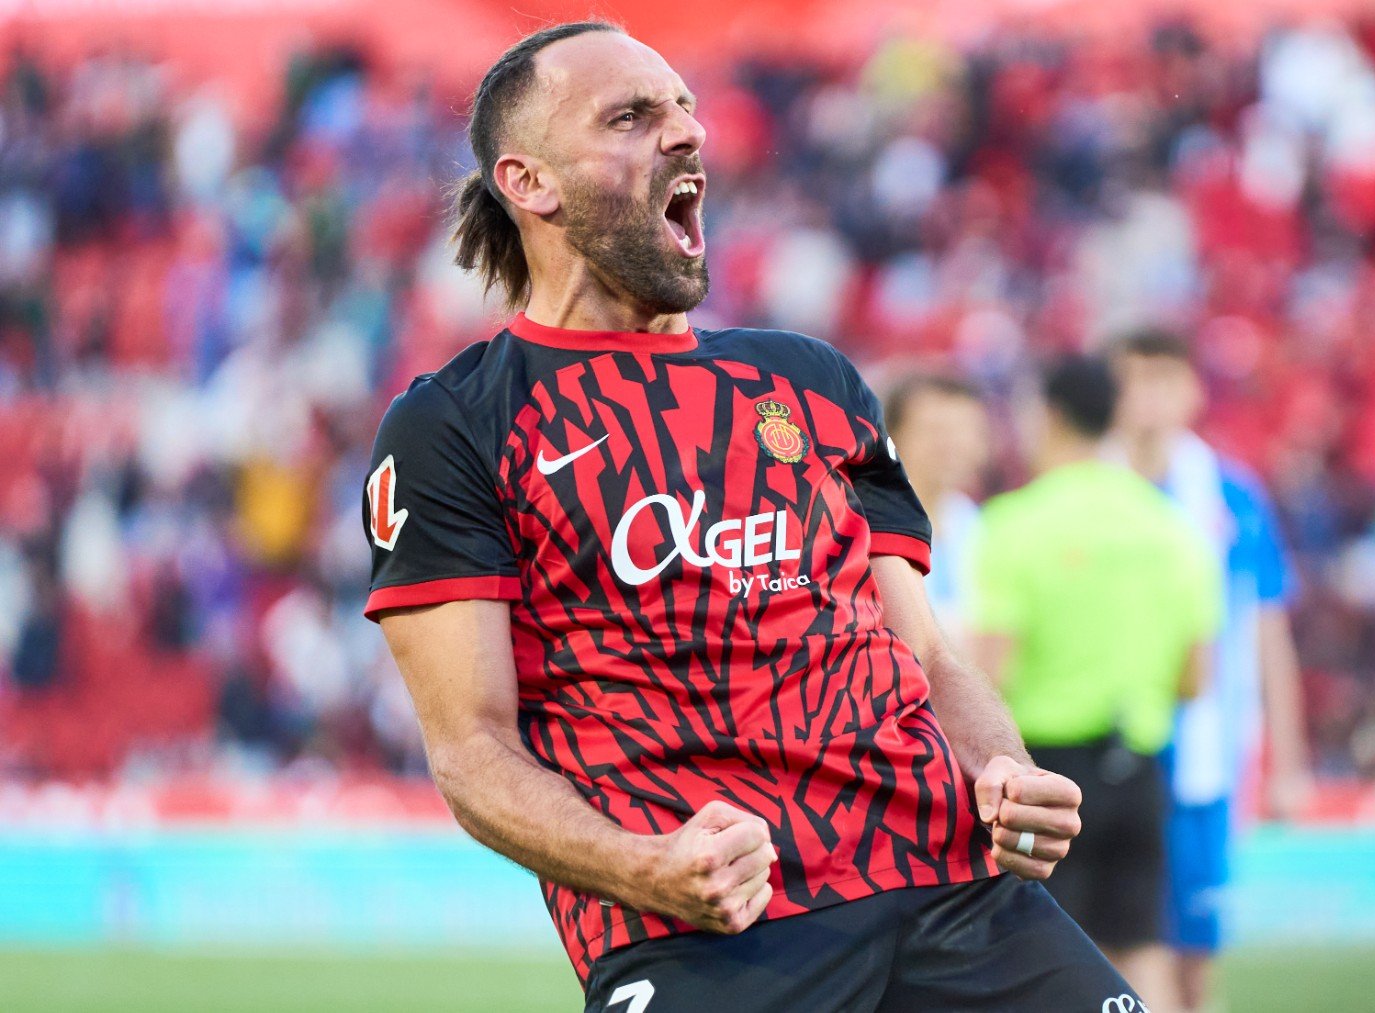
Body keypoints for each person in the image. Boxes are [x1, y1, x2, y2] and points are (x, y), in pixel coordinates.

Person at [363, 22, 1143, 1012]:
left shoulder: (811, 378)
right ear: (530, 182)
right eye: (632, 117)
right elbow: (472, 748)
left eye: (684, 108)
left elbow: (931, 657)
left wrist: (1001, 766)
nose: (686, 133)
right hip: (710, 928)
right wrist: (644, 865)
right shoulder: (458, 424)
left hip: (953, 887)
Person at [968, 355, 1224, 1012]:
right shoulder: (1169, 524)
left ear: (1046, 414)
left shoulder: (1014, 523)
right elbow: (1196, 678)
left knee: (1029, 952)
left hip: (1041, 776)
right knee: (1141, 948)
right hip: (1138, 767)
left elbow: (985, 673)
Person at [1108, 329, 1310, 1012]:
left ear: (1192, 390)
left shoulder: (1230, 496)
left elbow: (1266, 628)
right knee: (1122, 949)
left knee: (1196, 958)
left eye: (1164, 377)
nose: (1149, 396)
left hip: (1202, 752)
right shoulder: (1087, 489)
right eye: (1134, 378)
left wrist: (1288, 758)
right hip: (1103, 743)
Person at [883, 372, 990, 648]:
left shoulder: (973, 521)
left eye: (965, 431)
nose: (952, 445)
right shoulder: (870, 528)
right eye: (935, 430)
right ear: (893, 437)